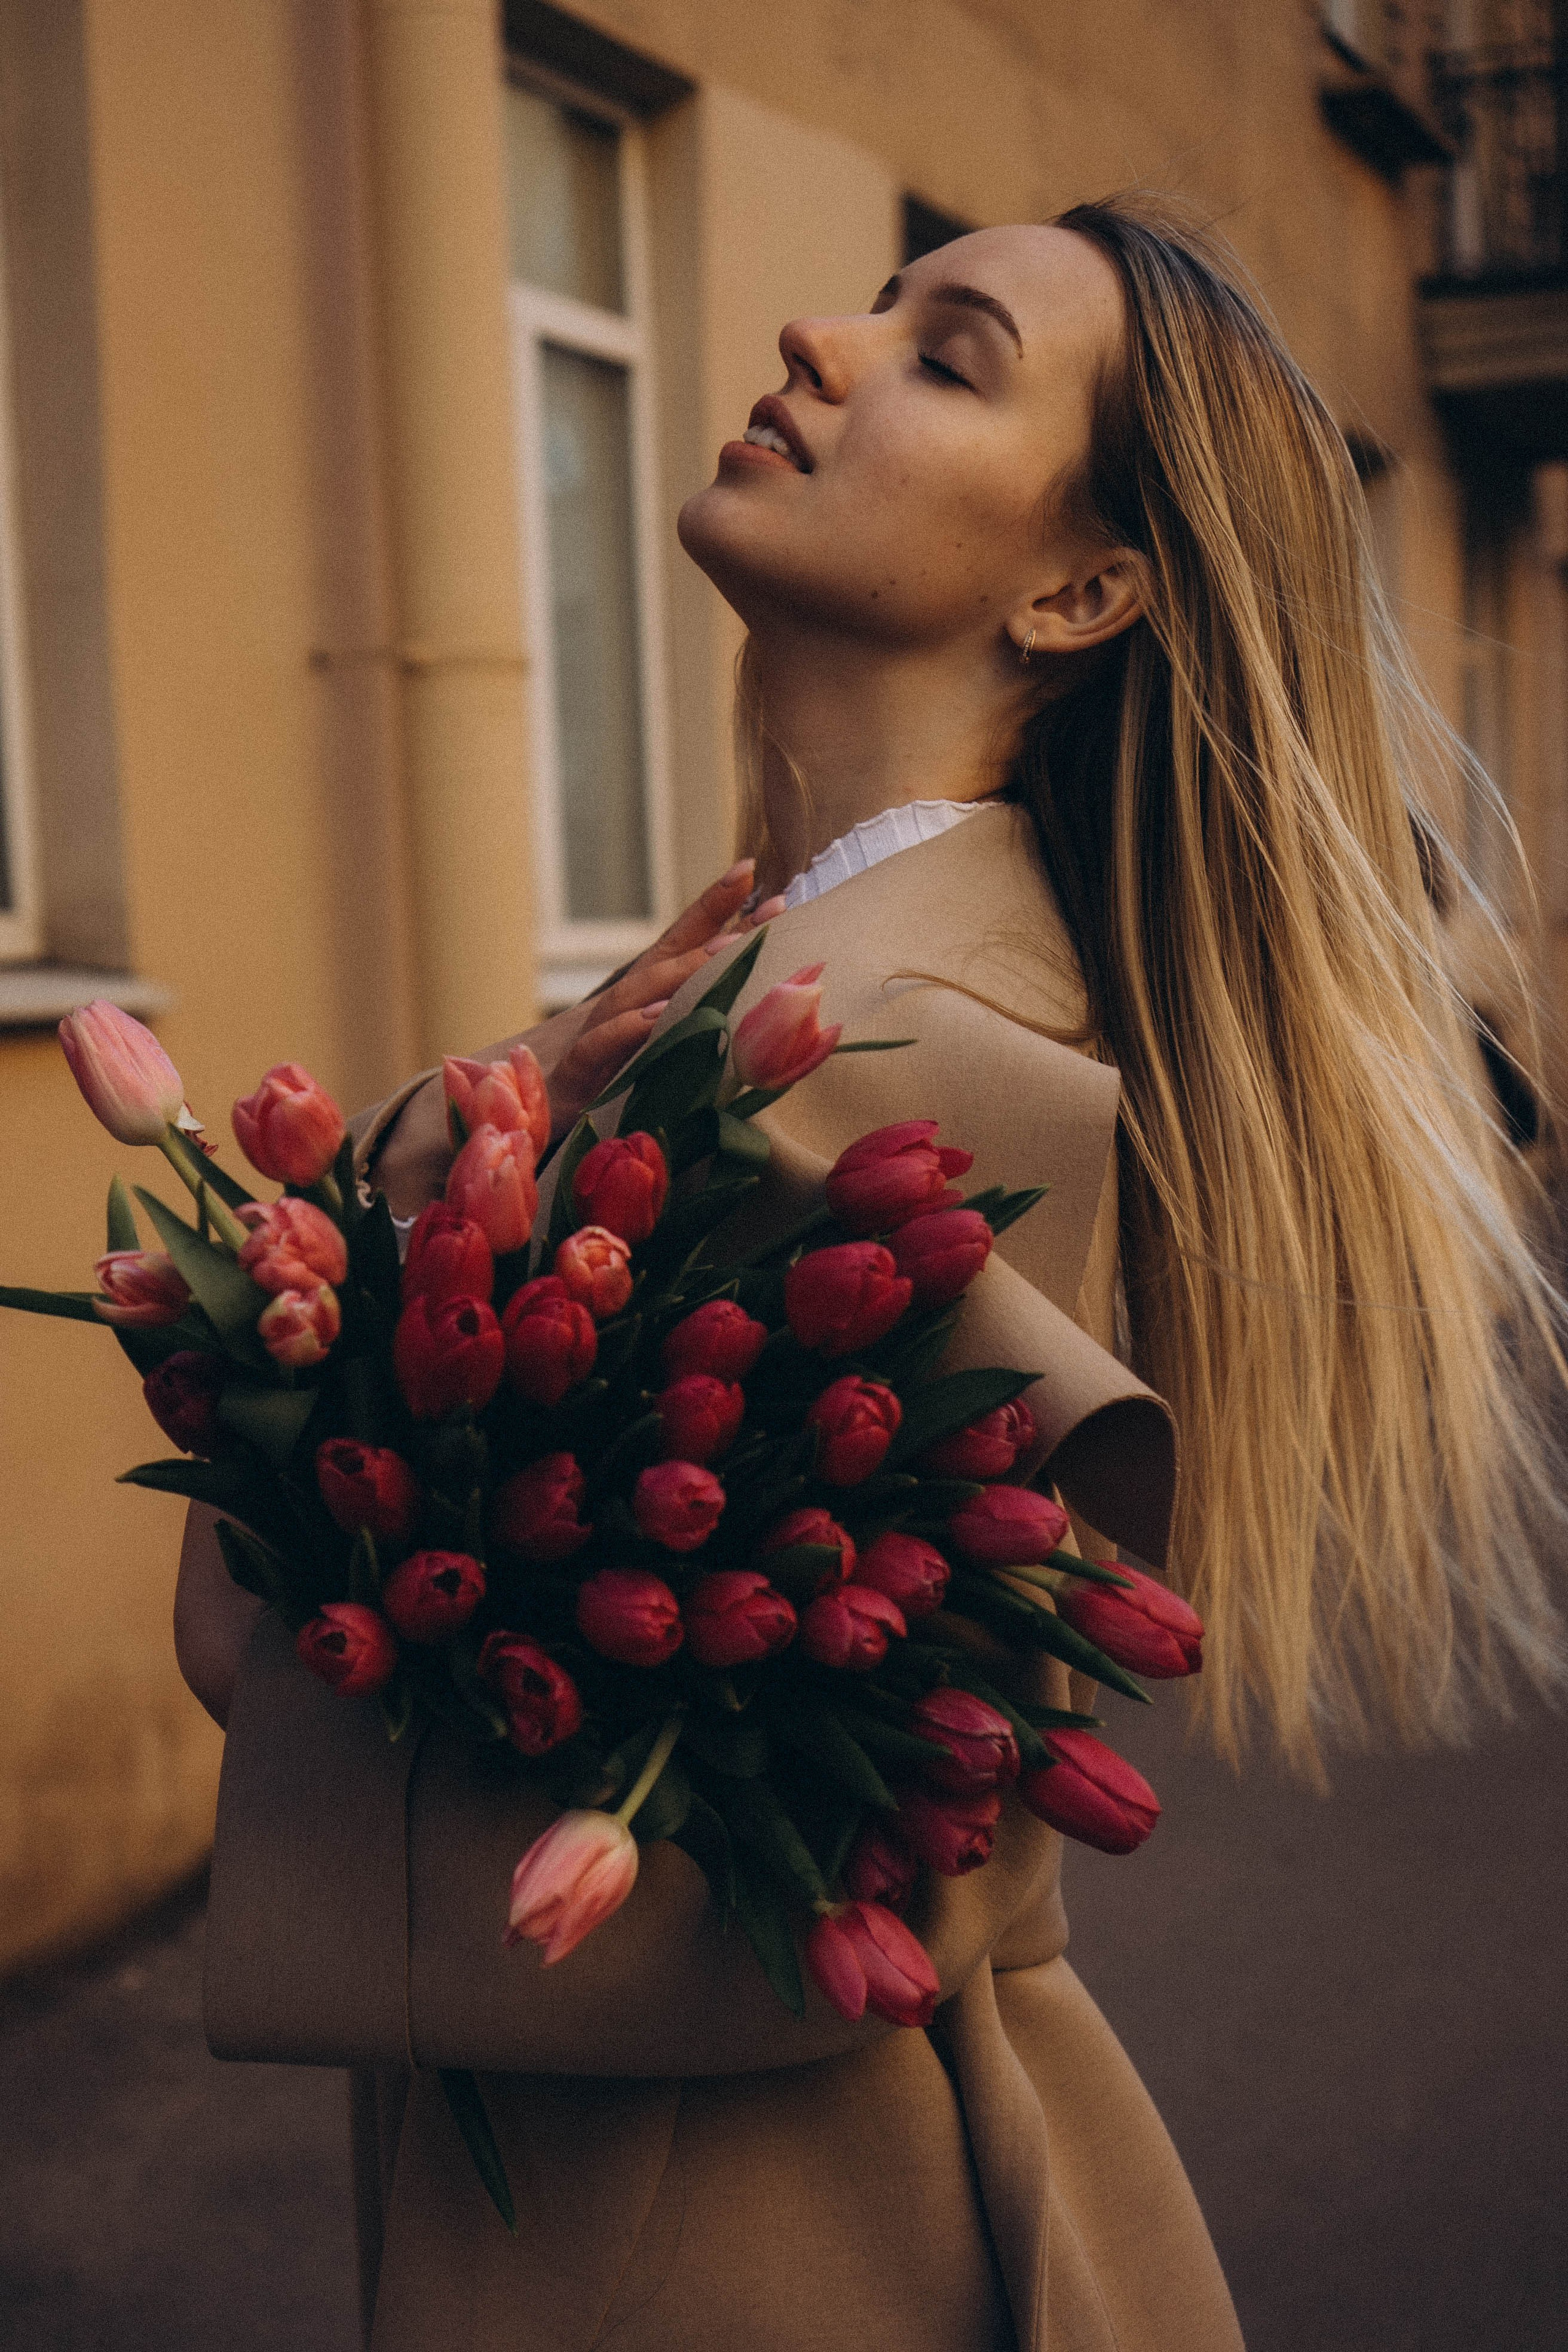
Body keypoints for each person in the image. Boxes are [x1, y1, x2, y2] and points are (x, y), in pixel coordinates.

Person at [174, 198, 1566, 2351]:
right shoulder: (781, 976)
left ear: (1082, 587)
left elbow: (402, 1670)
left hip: (747, 2233)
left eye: (950, 351)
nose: (822, 338)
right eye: (882, 306)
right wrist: (459, 1152)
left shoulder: (921, 1051)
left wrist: (358, 1287)